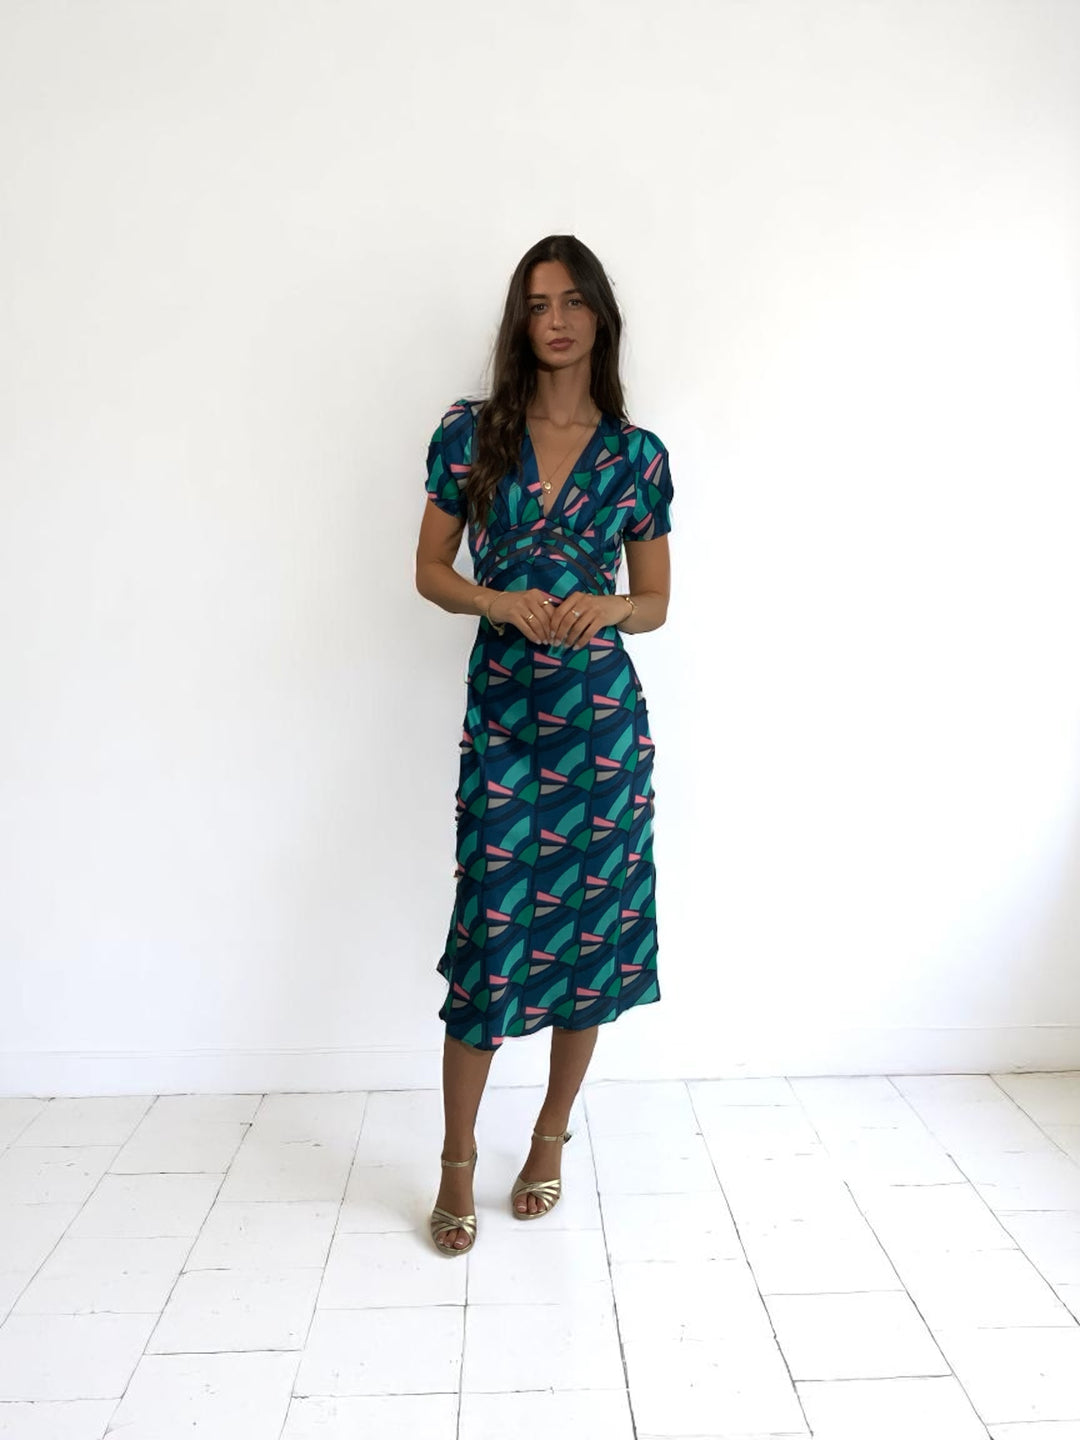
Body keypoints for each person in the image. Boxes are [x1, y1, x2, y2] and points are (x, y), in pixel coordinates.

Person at [414, 234, 674, 1255]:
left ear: (600, 315)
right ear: (519, 323)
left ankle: (550, 1138)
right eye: (536, 304)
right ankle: (456, 1159)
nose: (555, 320)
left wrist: (607, 608)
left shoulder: (636, 457)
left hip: (602, 731)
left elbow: (655, 602)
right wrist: (498, 600)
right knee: (491, 939)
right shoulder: (472, 435)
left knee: (588, 941)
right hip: (507, 725)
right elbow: (431, 570)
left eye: (572, 301)